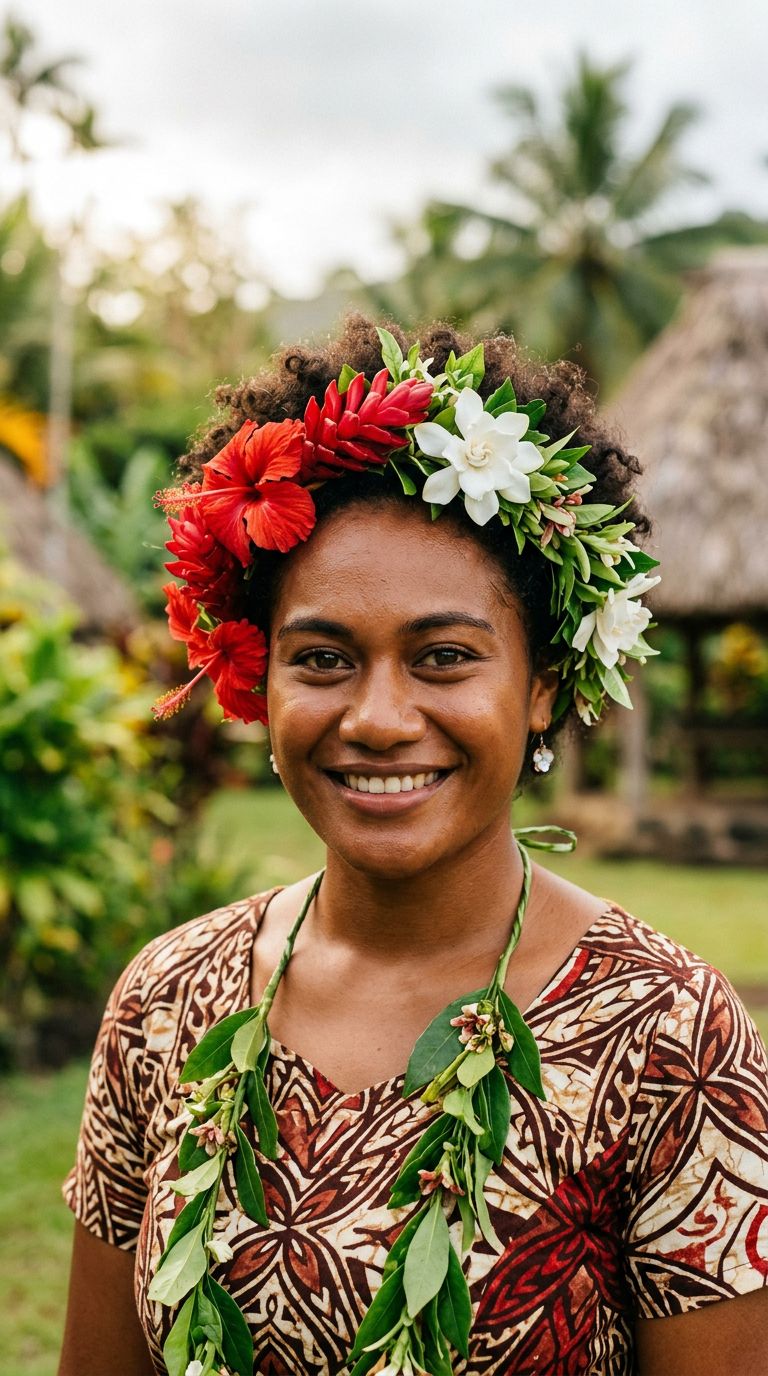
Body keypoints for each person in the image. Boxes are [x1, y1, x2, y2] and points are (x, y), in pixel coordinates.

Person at [59, 316, 768, 1376]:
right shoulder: (168, 1001)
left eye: (442, 655)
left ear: (542, 684)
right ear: (260, 679)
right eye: (323, 657)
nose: (379, 716)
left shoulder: (667, 1032)